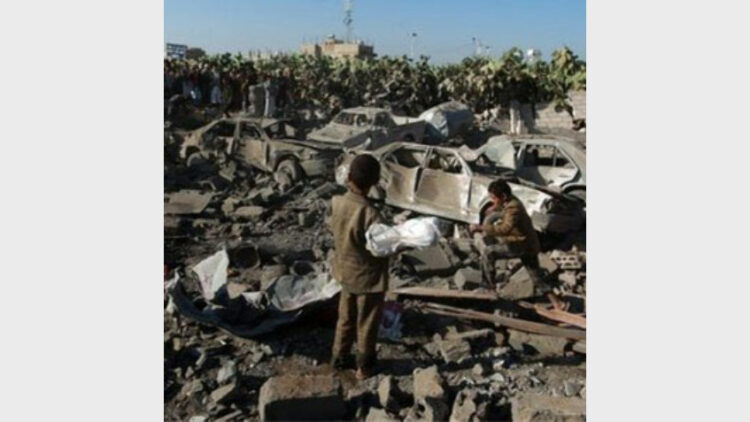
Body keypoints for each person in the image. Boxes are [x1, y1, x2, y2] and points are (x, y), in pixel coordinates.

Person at [330, 155, 389, 380]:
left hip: (344, 272)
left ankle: (339, 359)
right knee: (366, 323)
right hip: (367, 278)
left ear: (350, 176)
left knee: (345, 319)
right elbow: (381, 248)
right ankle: (364, 367)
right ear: (374, 181)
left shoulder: (336, 202)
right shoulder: (371, 214)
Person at [470, 179, 542, 285]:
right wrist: (495, 207)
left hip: (522, 244)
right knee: (536, 276)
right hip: (529, 242)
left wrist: (481, 227)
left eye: (494, 198)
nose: (492, 201)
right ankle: (551, 295)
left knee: (489, 252)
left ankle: (489, 285)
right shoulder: (512, 200)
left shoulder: (513, 207)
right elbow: (505, 211)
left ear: (503, 196)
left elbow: (505, 229)